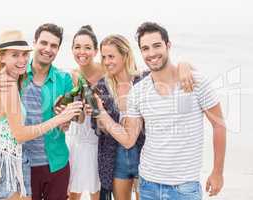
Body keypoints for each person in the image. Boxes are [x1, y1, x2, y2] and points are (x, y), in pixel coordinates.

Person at [94, 22, 226, 200]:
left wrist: (217, 172)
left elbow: (219, 125)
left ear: (168, 45)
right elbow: (128, 140)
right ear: (140, 52)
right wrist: (101, 113)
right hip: (148, 184)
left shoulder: (195, 82)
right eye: (145, 48)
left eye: (157, 46)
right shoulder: (138, 92)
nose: (151, 53)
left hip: (185, 187)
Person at [0, 23, 77, 200]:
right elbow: (19, 134)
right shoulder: (10, 82)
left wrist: (66, 120)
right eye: (15, 55)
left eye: (24, 54)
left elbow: (75, 118)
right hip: (15, 163)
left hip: (41, 162)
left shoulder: (60, 78)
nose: (22, 59)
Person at [92, 34, 195, 200]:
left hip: (145, 156)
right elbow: (99, 130)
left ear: (125, 55)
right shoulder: (102, 87)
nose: (106, 62)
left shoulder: (146, 79)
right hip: (115, 156)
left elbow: (172, 71)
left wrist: (184, 65)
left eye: (111, 56)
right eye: (103, 57)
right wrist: (97, 115)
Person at [65, 25, 103, 200]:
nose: (82, 52)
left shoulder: (106, 71)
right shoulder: (71, 76)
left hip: (100, 140)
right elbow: (73, 117)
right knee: (74, 192)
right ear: (72, 49)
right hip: (78, 139)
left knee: (97, 191)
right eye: (77, 47)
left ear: (95, 50)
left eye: (88, 47)